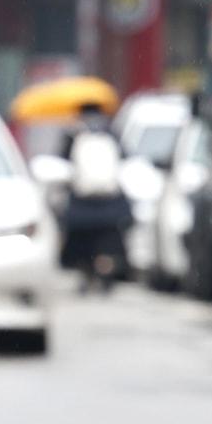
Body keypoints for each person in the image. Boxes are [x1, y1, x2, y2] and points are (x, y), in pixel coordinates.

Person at [59, 103, 131, 292]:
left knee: (83, 242)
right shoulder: (111, 135)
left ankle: (86, 275)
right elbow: (124, 161)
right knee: (107, 242)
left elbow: (63, 163)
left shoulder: (74, 136)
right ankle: (105, 273)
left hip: (81, 202)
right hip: (109, 202)